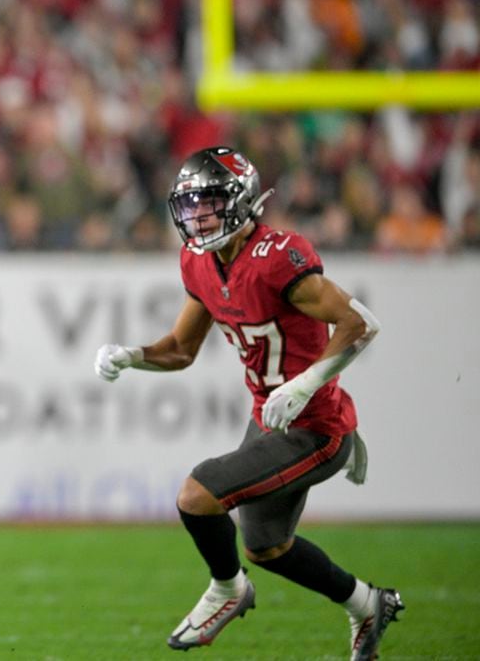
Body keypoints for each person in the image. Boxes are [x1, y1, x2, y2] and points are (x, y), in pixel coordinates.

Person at [94, 147, 404, 660]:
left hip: (314, 427)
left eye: (210, 204)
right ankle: (368, 603)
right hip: (272, 420)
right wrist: (132, 355)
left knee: (197, 496)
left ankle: (228, 591)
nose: (198, 217)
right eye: (190, 205)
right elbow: (180, 349)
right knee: (267, 547)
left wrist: (304, 385)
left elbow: (360, 323)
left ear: (240, 203)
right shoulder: (199, 261)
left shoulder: (277, 257)